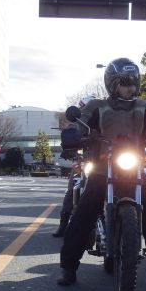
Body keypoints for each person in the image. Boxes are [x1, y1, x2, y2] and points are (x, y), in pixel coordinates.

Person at [56, 58, 146, 290]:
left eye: (133, 82)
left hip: (134, 167)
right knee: (83, 214)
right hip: (103, 168)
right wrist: (73, 133)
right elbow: (81, 123)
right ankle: (69, 268)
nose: (130, 87)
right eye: (125, 83)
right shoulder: (97, 106)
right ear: (113, 84)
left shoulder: (144, 106)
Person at [53, 96, 96, 237]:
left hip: (104, 163)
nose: (89, 111)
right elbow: (68, 138)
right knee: (72, 189)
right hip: (83, 162)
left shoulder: (106, 124)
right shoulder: (76, 125)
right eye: (85, 108)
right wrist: (67, 150)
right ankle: (63, 225)